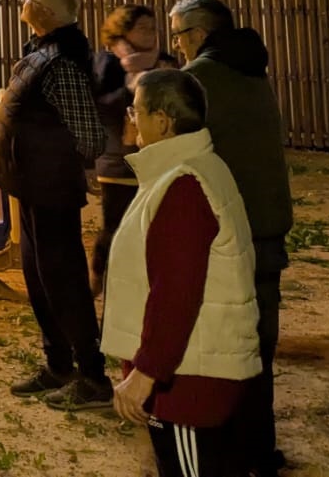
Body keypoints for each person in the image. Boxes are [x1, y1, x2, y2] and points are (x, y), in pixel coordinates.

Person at [103, 69, 262, 476]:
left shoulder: (184, 186)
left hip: (188, 381)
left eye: (136, 111)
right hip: (194, 368)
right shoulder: (197, 168)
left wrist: (146, 373)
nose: (130, 119)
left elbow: (176, 293)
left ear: (163, 121)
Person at [169, 0, 294, 477]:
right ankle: (260, 450)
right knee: (260, 343)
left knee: (225, 347)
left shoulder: (199, 79)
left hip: (227, 233)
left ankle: (227, 452)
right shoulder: (251, 70)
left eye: (179, 35)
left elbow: (177, 156)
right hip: (266, 224)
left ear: (199, 34)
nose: (176, 45)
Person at [0, 0, 109, 409]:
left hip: (51, 189)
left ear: (48, 13)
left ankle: (92, 376)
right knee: (39, 279)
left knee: (64, 281)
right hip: (31, 184)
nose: (23, 1)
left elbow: (90, 137)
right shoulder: (41, 53)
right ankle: (59, 364)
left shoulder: (61, 64)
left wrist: (51, 155)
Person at [90, 4, 175, 295]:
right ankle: (100, 275)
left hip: (158, 158)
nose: (150, 33)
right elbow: (99, 106)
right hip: (118, 159)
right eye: (142, 28)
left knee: (154, 224)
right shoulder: (107, 63)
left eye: (153, 27)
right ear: (123, 31)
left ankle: (146, 283)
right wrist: (132, 89)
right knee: (116, 224)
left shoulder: (165, 62)